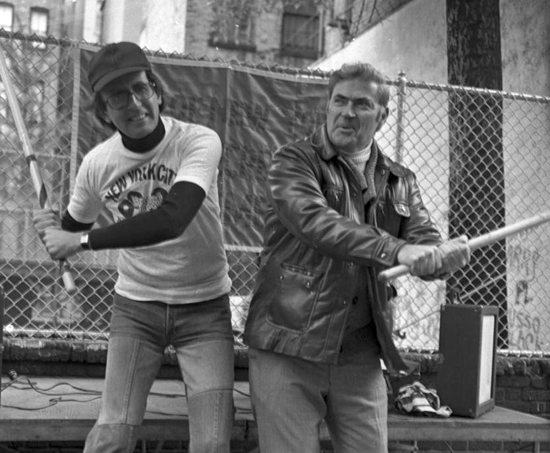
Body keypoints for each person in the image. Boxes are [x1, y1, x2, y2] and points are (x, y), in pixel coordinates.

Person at [243, 62, 471, 453]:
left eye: (362, 104)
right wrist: (398, 249)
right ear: (327, 105)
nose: (347, 112)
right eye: (340, 101)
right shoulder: (294, 161)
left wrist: (441, 258)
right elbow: (320, 224)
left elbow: (422, 239)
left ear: (382, 115)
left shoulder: (400, 179)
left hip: (361, 353)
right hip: (289, 344)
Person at [33, 42, 234, 453]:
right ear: (104, 111)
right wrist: (51, 230)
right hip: (137, 308)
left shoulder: (197, 141)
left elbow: (173, 219)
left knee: (212, 442)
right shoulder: (98, 163)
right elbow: (71, 231)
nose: (134, 103)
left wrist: (79, 240)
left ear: (157, 92)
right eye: (117, 97)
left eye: (141, 89)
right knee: (113, 432)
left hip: (204, 306)